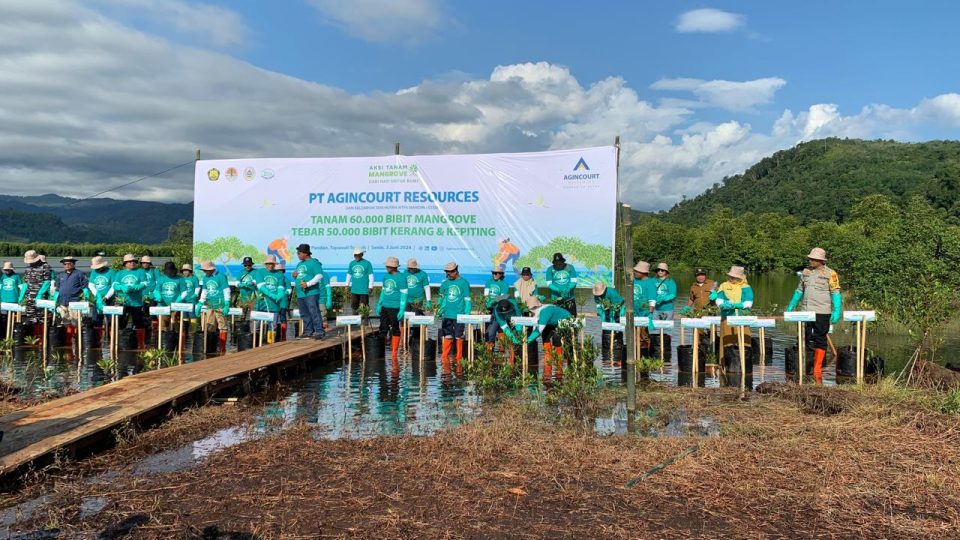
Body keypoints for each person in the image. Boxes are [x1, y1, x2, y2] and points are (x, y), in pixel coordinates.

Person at [786, 247, 842, 381]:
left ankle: (817, 368)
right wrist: (791, 305)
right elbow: (799, 290)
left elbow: (835, 292)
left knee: (820, 339)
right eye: (810, 259)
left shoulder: (830, 274)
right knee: (803, 337)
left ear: (820, 261)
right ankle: (803, 364)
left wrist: (837, 310)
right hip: (805, 311)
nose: (810, 261)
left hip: (822, 312)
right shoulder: (806, 272)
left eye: (813, 259)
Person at [438, 261, 472, 375]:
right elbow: (441, 297)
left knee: (459, 336)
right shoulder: (445, 283)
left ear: (456, 270)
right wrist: (439, 309)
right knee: (447, 335)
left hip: (459, 315)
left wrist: (466, 314)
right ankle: (444, 357)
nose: (448, 274)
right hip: (447, 314)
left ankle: (459, 358)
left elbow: (467, 300)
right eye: (447, 272)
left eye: (450, 272)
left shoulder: (464, 283)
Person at [711, 265, 754, 353]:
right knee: (727, 340)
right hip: (727, 316)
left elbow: (749, 302)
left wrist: (737, 305)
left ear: (740, 277)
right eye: (731, 276)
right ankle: (725, 363)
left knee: (744, 340)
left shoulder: (746, 287)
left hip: (742, 317)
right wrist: (722, 305)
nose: (732, 278)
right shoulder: (724, 285)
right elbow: (719, 299)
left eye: (734, 277)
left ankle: (744, 362)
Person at [525, 304, 573, 380]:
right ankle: (548, 361)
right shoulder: (539, 312)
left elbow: (538, 331)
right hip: (552, 321)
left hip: (566, 319)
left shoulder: (544, 312)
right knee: (545, 336)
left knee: (556, 338)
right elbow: (536, 328)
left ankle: (559, 362)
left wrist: (527, 340)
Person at [376, 257, 408, 363]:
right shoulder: (385, 276)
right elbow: (383, 291)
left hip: (395, 307)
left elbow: (404, 294)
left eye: (388, 266)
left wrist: (402, 309)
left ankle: (394, 352)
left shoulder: (402, 277)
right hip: (385, 306)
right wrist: (379, 303)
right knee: (383, 329)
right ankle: (381, 351)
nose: (386, 267)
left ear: (393, 267)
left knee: (395, 328)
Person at [113, 254, 149, 349]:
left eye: (133, 261)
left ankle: (141, 344)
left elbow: (145, 284)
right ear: (125, 263)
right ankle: (119, 343)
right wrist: (122, 287)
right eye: (129, 262)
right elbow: (115, 285)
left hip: (136, 302)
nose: (132, 263)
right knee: (121, 323)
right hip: (122, 302)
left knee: (138, 322)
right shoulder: (120, 273)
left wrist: (135, 287)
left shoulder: (140, 272)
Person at [196, 260, 231, 352]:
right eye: (203, 270)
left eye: (205, 270)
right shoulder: (205, 278)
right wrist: (200, 302)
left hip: (220, 304)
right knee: (210, 326)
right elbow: (204, 291)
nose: (204, 272)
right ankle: (211, 347)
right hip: (210, 304)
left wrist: (227, 303)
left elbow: (226, 290)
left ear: (211, 269)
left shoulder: (221, 276)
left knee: (222, 326)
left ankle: (222, 348)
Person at [292, 244, 325, 339]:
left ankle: (319, 331)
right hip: (300, 293)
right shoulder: (300, 264)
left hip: (311, 293)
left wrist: (308, 284)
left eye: (299, 253)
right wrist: (294, 275)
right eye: (297, 253)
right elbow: (300, 276)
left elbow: (319, 276)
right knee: (304, 313)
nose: (297, 254)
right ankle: (308, 331)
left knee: (314, 312)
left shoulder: (314, 263)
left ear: (306, 253)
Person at [256, 255, 292, 342]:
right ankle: (258, 343)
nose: (270, 266)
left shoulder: (279, 275)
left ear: (274, 264)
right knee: (258, 324)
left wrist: (280, 294)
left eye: (272, 264)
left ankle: (270, 343)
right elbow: (261, 286)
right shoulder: (259, 272)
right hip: (263, 302)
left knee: (273, 325)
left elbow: (280, 287)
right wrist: (271, 295)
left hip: (275, 303)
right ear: (265, 264)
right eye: (268, 264)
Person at [22, 250, 53, 333]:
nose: (31, 263)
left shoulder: (45, 267)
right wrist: (21, 295)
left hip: (41, 297)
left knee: (42, 317)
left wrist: (40, 293)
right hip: (29, 297)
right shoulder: (27, 268)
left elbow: (47, 281)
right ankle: (33, 337)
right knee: (30, 317)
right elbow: (25, 282)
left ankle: (43, 337)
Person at [483, 266, 513, 347]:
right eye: (493, 273)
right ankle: (489, 351)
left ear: (501, 274)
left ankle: (501, 350)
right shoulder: (488, 282)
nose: (494, 275)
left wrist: (493, 302)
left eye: (496, 273)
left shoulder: (504, 284)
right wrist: (487, 303)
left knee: (500, 329)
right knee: (488, 329)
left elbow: (502, 297)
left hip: (499, 309)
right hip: (488, 309)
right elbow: (485, 295)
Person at [153, 261, 184, 332]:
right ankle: (164, 341)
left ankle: (177, 338)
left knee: (175, 323)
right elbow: (156, 290)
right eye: (168, 272)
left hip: (176, 305)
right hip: (162, 305)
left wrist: (178, 300)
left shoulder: (180, 279)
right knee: (163, 325)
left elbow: (184, 291)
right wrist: (158, 296)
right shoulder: (161, 279)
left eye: (171, 272)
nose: (170, 274)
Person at [87, 256, 115, 331]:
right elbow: (91, 285)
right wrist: (97, 295)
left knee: (110, 319)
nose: (98, 269)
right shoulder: (94, 272)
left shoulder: (111, 272)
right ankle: (97, 338)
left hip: (109, 299)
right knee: (96, 319)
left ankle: (110, 337)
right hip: (97, 299)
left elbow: (113, 286)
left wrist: (106, 297)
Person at [1, 262, 27, 339]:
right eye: (5, 270)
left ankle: (13, 335)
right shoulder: (3, 276)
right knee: (4, 318)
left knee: (14, 318)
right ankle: (5, 335)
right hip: (4, 300)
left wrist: (21, 298)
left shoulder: (17, 276)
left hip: (14, 300)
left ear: (11, 269)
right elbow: (0, 287)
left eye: (8, 269)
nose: (7, 271)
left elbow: (21, 288)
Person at [345, 247, 374, 313]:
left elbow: (371, 276)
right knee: (354, 305)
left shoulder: (367, 263)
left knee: (365, 306)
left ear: (362, 255)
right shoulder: (352, 263)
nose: (356, 256)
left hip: (364, 290)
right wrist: (346, 285)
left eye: (358, 255)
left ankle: (365, 321)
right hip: (354, 289)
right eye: (355, 255)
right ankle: (355, 320)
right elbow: (349, 274)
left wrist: (370, 287)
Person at [236, 256, 262, 330]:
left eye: (249, 265)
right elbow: (237, 283)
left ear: (252, 265)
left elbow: (256, 281)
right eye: (245, 265)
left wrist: (252, 283)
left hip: (253, 298)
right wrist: (242, 284)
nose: (247, 266)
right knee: (242, 316)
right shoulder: (241, 272)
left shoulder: (256, 272)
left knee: (253, 315)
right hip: (243, 298)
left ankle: (253, 331)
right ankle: (242, 331)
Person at [178, 263, 200, 330]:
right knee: (184, 316)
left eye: (186, 270)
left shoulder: (194, 278)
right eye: (184, 270)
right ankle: (185, 331)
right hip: (183, 301)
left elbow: (197, 288)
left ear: (190, 271)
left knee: (192, 316)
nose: (185, 272)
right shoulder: (181, 278)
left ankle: (193, 332)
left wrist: (195, 294)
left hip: (192, 301)